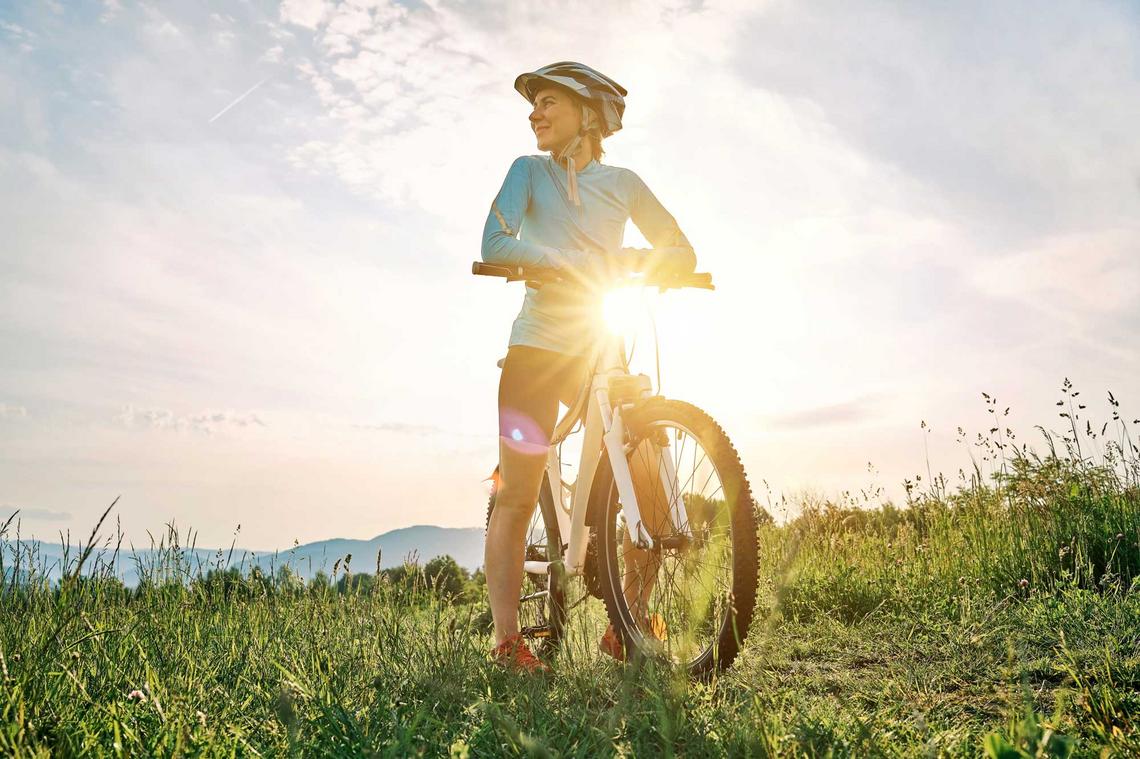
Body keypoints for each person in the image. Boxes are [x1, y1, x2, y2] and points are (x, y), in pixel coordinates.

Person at [481, 61, 696, 674]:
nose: (535, 113)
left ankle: (626, 615)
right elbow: (494, 244)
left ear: (588, 116)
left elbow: (678, 247)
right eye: (534, 104)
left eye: (549, 101)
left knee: (650, 474)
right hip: (536, 353)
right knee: (518, 494)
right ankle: (507, 643)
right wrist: (561, 258)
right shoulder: (527, 172)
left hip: (602, 346)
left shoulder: (623, 183)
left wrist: (641, 260)